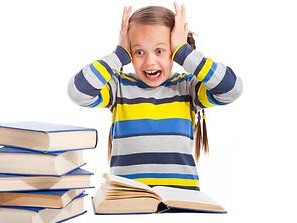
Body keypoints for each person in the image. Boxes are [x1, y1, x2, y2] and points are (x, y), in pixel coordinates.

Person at [68, 3, 242, 190]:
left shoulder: (187, 87)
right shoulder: (117, 87)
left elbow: (231, 89)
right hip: (127, 199)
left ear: (174, 52)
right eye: (139, 52)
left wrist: (185, 53)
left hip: (181, 200)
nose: (150, 61)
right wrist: (118, 54)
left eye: (160, 50)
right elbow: (78, 92)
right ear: (129, 52)